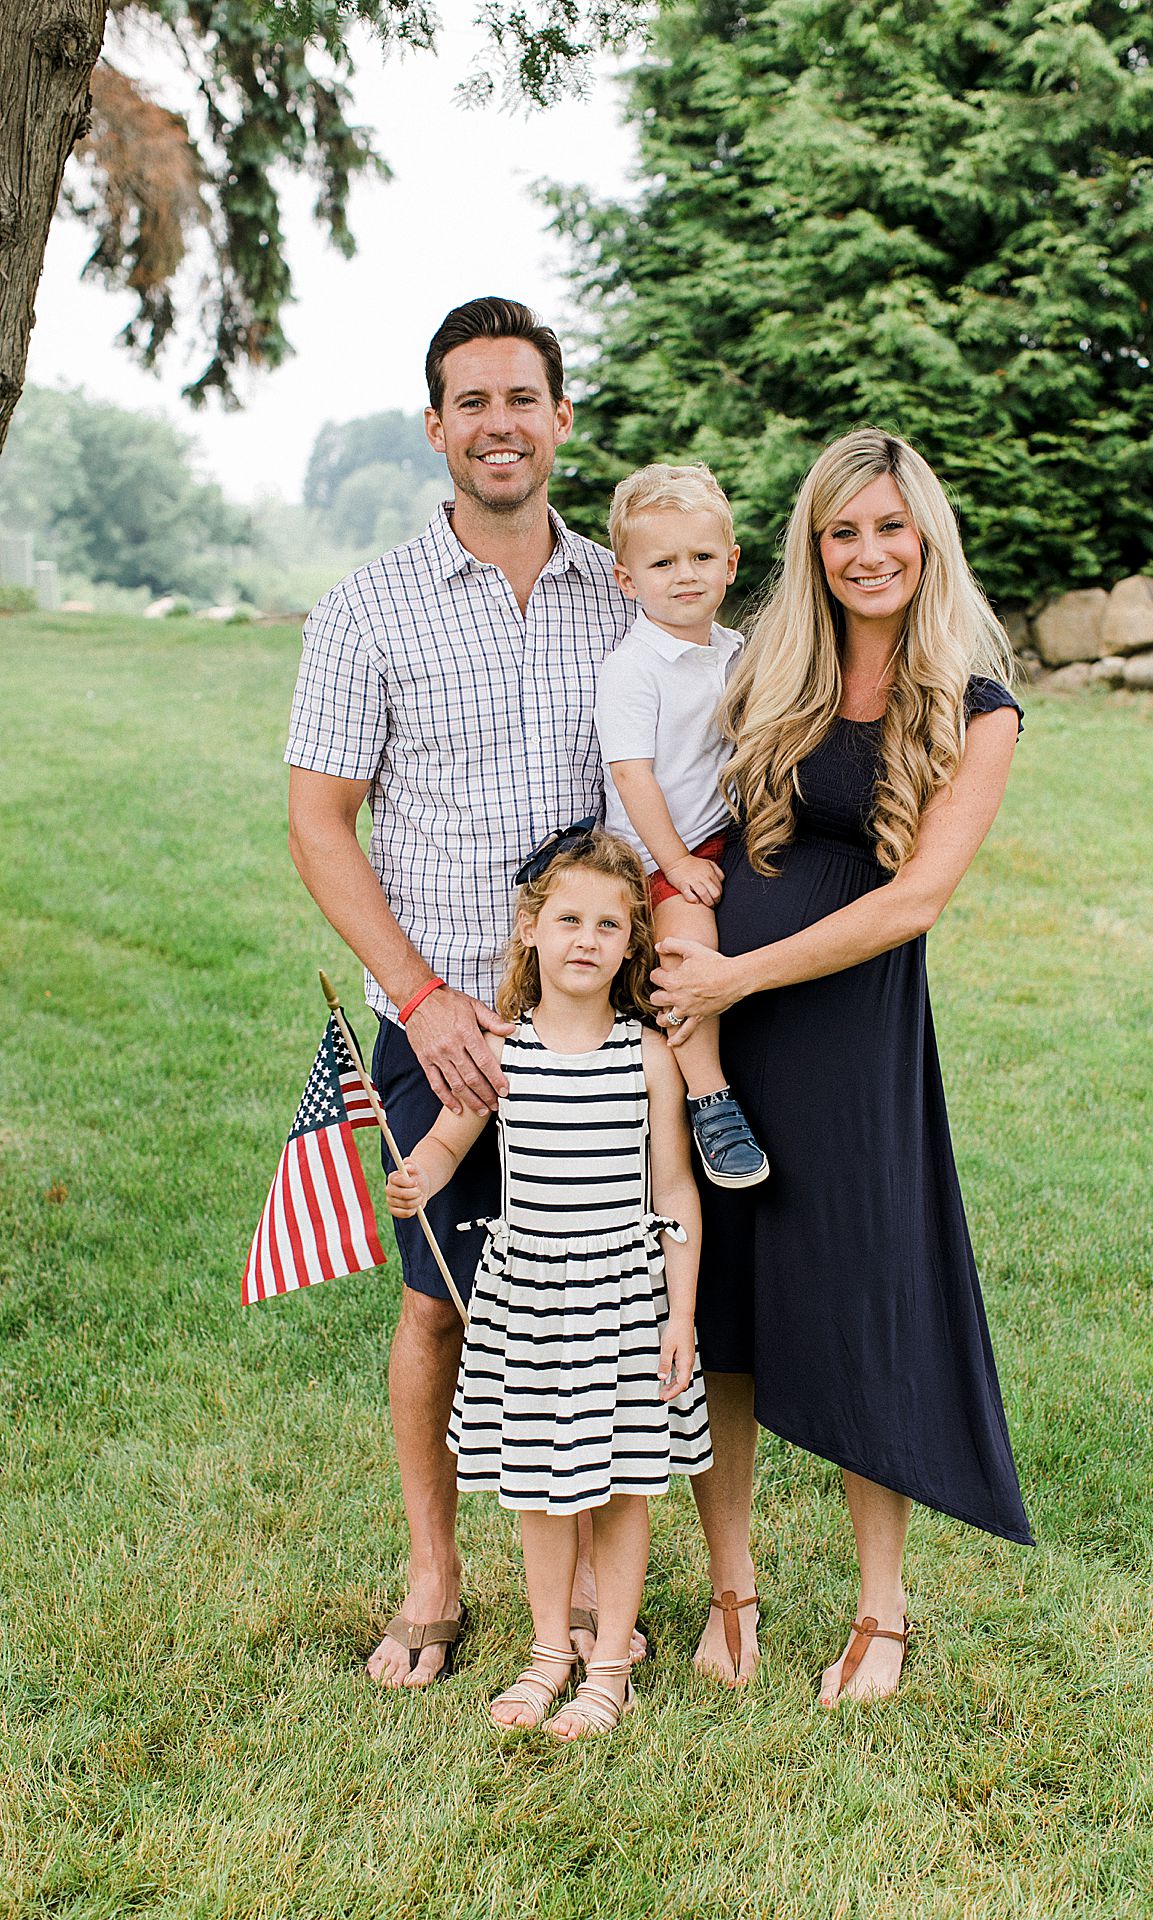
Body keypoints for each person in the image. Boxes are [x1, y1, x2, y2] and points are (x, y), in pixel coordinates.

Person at [650, 427, 1033, 1705]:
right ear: (813, 548)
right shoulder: (771, 664)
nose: (866, 553)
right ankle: (732, 1590)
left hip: (841, 1026)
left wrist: (734, 977)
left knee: (861, 1298)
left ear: (925, 536)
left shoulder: (976, 702)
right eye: (840, 531)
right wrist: (688, 951)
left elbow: (914, 899)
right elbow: (690, 817)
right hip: (717, 1027)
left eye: (887, 527)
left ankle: (882, 1611)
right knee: (721, 1309)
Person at [285, 297, 632, 1686]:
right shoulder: (364, 607)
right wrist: (421, 996)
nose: (500, 423)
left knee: (593, 1293)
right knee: (440, 1301)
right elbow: (321, 825)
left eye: (522, 397)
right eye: (471, 401)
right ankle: (437, 1570)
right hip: (437, 1011)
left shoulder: (625, 594)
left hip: (591, 1018)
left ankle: (604, 1588)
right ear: (437, 429)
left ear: (560, 418)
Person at [386, 828, 711, 1737]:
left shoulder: (646, 1056)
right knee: (538, 1483)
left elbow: (675, 1185)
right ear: (530, 929)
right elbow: (450, 1142)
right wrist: (417, 1176)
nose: (587, 938)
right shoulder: (505, 1053)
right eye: (568, 918)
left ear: (630, 943)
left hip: (622, 1296)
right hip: (527, 1298)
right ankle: (546, 1654)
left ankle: (608, 1666)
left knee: (621, 1483)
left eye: (610, 925)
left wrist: (679, 1311)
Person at [594, 464, 768, 1190]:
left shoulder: (735, 651)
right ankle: (710, 1099)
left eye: (701, 557)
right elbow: (632, 775)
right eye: (662, 562)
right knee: (687, 944)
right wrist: (675, 861)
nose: (685, 575)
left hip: (722, 832)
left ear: (730, 563)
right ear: (627, 578)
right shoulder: (634, 668)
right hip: (654, 850)